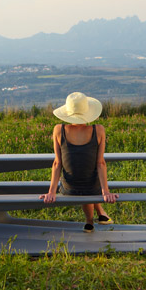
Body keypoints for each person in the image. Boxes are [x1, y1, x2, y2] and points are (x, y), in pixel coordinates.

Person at [40, 92, 118, 231]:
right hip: (92, 188)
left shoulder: (59, 129)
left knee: (82, 182)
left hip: (69, 188)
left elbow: (57, 163)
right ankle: (93, 218)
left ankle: (95, 217)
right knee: (88, 184)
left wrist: (51, 192)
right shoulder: (98, 130)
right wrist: (105, 191)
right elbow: (100, 163)